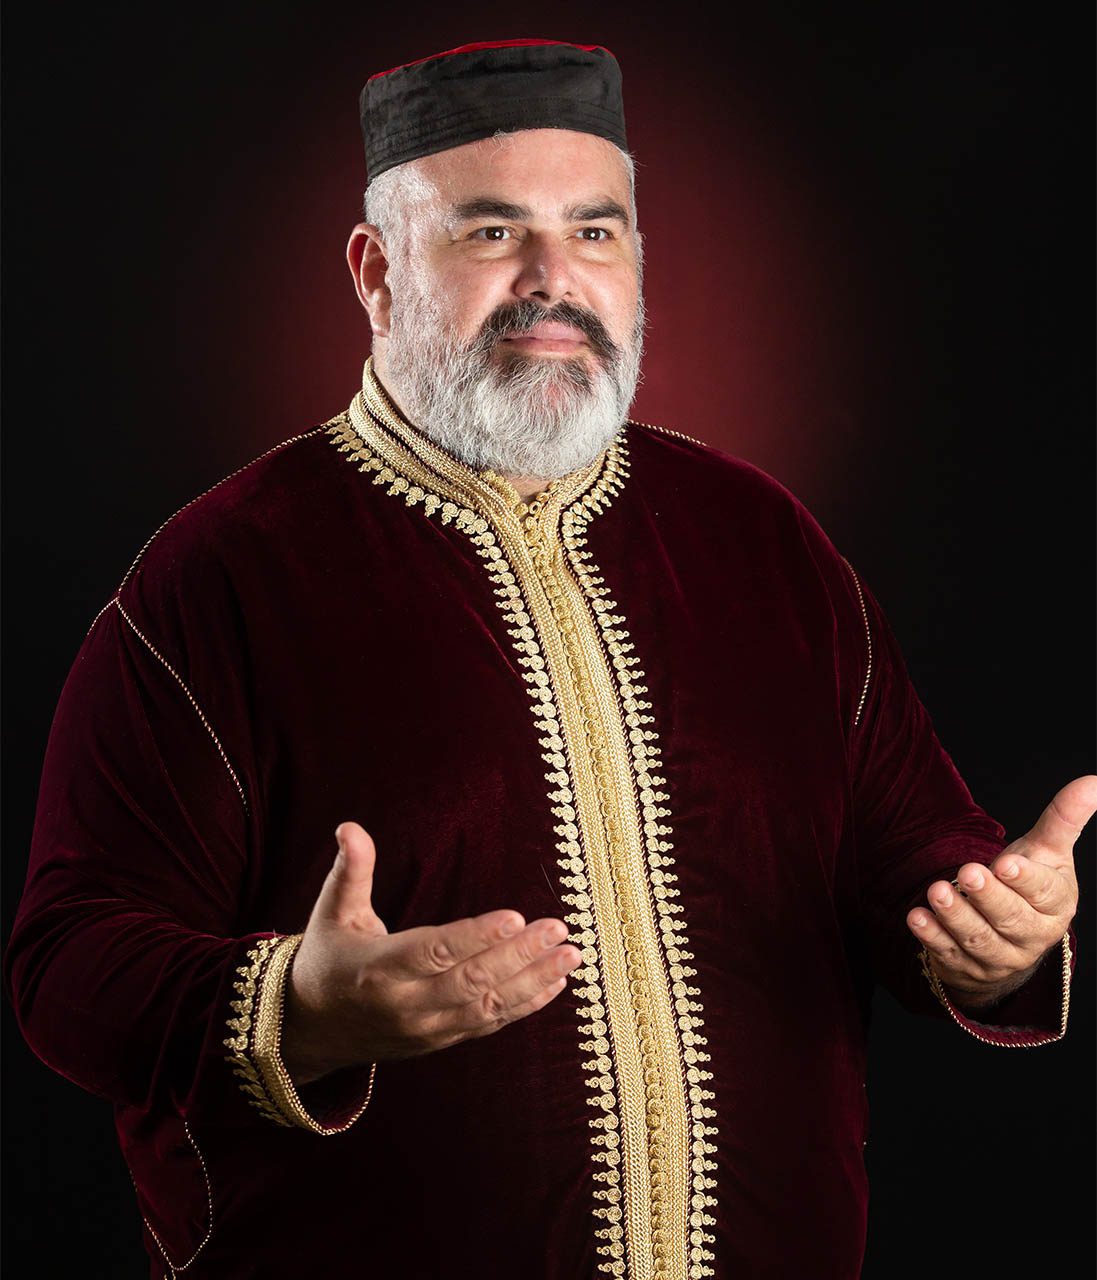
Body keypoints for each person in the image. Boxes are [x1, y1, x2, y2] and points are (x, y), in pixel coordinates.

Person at [6, 38, 1091, 1280]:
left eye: (593, 231)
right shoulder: (221, 576)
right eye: (489, 233)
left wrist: (992, 928)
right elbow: (68, 962)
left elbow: (909, 850)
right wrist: (298, 1009)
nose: (552, 280)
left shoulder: (763, 541)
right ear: (375, 274)